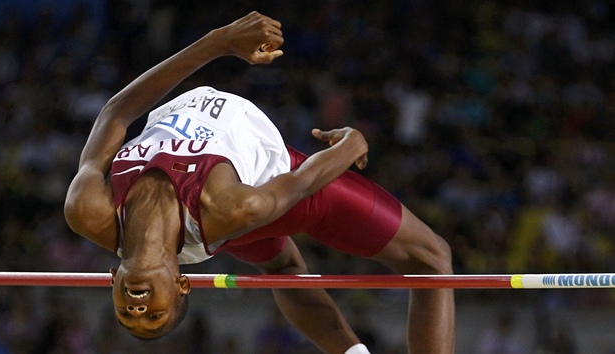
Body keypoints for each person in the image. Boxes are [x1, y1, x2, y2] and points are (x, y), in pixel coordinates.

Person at [64, 11, 455, 354]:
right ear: (182, 285)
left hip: (234, 208)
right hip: (274, 181)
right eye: (154, 317)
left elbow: (115, 114)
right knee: (431, 258)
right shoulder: (231, 207)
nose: (137, 312)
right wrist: (350, 146)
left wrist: (218, 43)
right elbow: (301, 184)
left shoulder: (89, 211)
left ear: (112, 280)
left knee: (283, 266)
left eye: (126, 315)